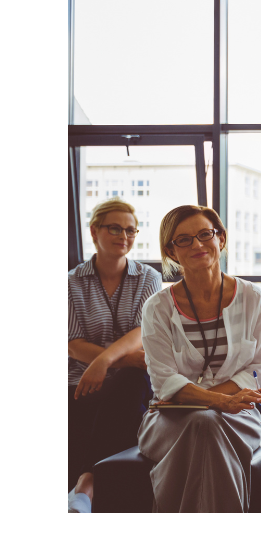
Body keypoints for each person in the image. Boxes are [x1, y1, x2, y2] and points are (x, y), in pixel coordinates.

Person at [138, 205, 261, 512]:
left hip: (237, 415)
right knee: (205, 422)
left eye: (205, 235)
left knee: (206, 422)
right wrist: (216, 403)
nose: (197, 245)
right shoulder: (157, 308)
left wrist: (214, 402)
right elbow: (164, 381)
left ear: (221, 239)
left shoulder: (253, 298)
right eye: (184, 240)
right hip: (168, 418)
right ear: (171, 251)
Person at [67, 198, 162, 513]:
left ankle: (85, 484)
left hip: (129, 381)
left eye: (131, 230)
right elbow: (72, 343)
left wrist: (104, 362)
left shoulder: (149, 278)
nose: (125, 236)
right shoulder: (69, 282)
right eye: (116, 228)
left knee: (135, 377)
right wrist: (111, 360)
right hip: (78, 380)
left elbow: (141, 334)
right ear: (95, 231)